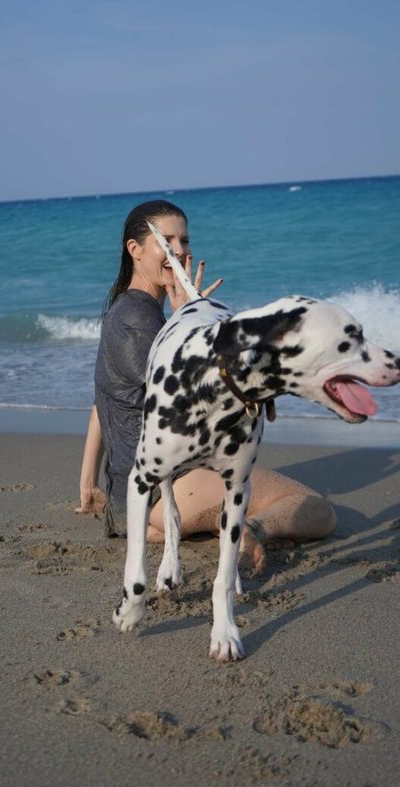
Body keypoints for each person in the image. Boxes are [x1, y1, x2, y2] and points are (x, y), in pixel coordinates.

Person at [76, 200, 335, 572]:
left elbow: (103, 398)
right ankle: (250, 525)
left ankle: (173, 525)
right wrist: (190, 318)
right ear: (135, 250)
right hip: (165, 487)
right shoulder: (138, 322)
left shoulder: (126, 312)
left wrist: (88, 481)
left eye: (183, 239)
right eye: (165, 241)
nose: (179, 250)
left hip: (130, 492)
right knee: (315, 508)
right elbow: (195, 397)